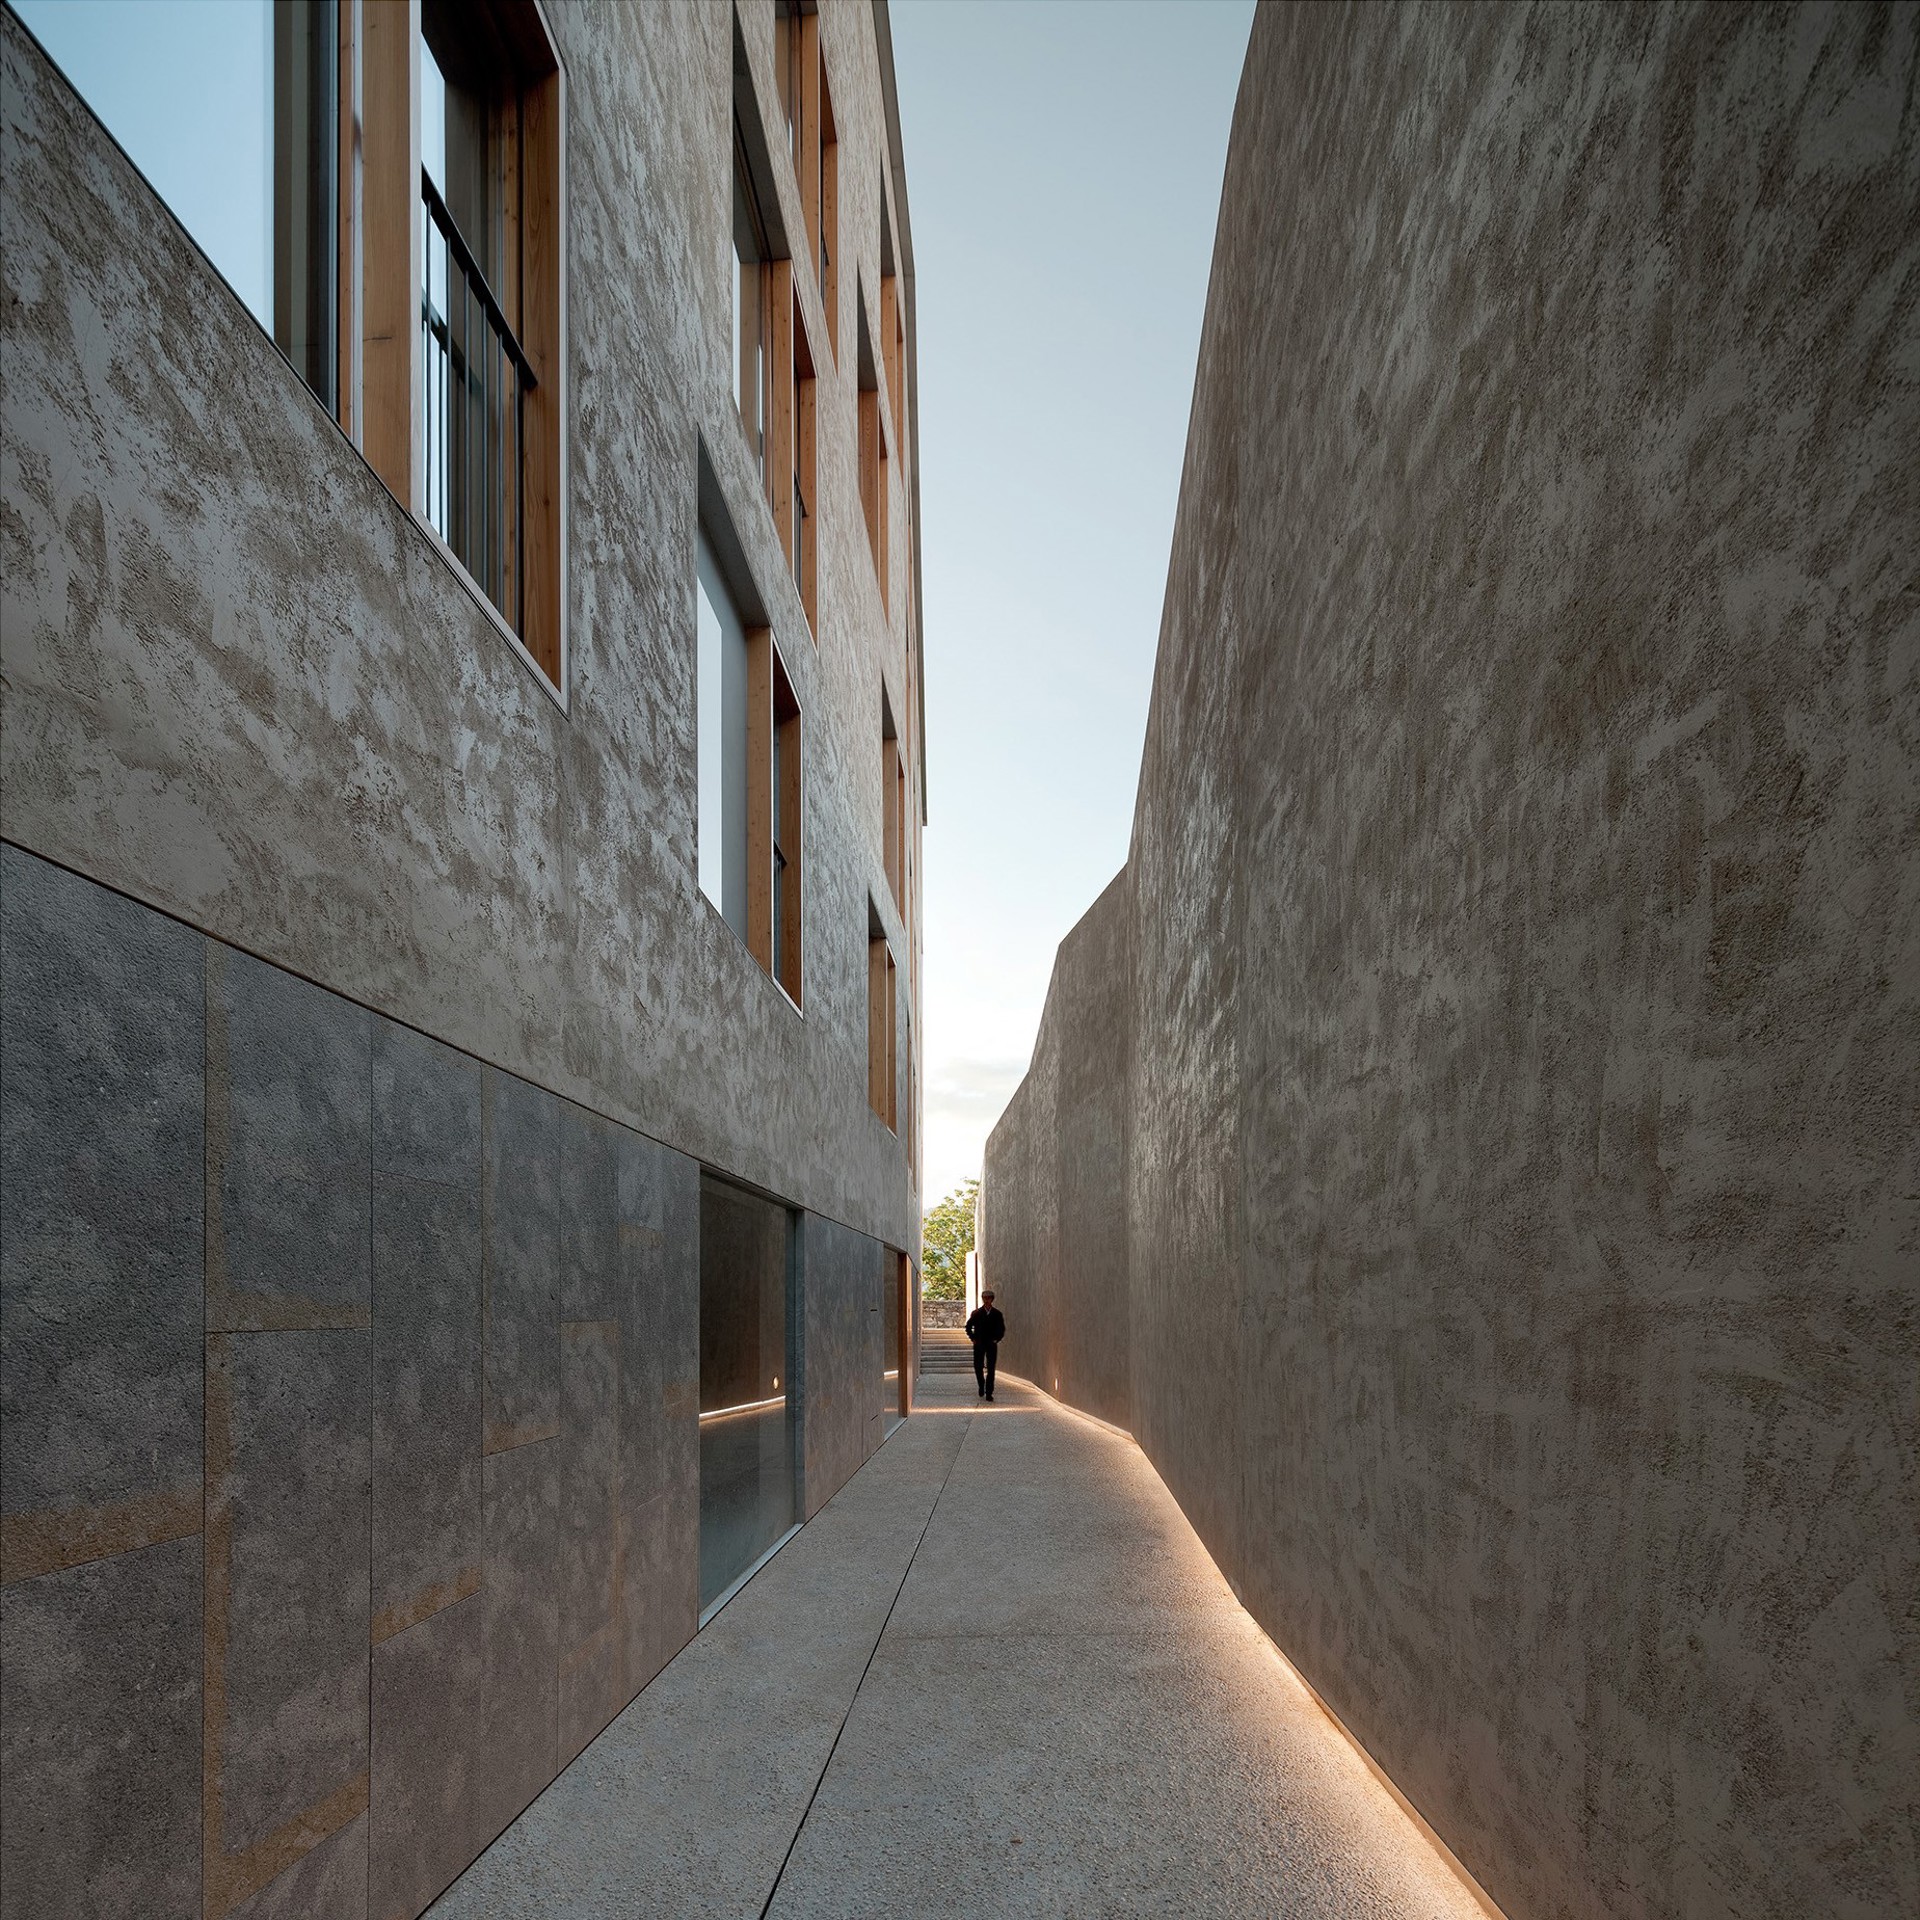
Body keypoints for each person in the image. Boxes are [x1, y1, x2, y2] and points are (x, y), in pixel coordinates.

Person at [965, 1290, 1006, 1402]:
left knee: (991, 1368)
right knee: (978, 1366)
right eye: (984, 1297)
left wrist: (996, 1339)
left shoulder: (997, 1314)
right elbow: (968, 1327)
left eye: (988, 1297)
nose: (986, 1299)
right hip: (979, 1344)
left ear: (992, 1299)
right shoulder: (976, 1313)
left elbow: (1002, 1329)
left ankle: (989, 1392)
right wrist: (973, 1338)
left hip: (991, 1345)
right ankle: (981, 1385)